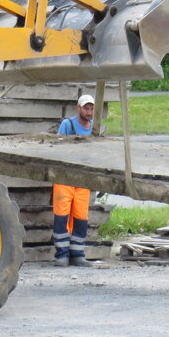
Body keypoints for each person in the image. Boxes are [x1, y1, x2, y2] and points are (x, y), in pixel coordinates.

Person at [53, 93, 105, 268]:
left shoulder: (95, 128)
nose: (89, 112)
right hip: (64, 178)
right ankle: (61, 255)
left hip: (83, 180)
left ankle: (77, 254)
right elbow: (57, 148)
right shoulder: (67, 125)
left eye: (91, 109)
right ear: (78, 108)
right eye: (86, 108)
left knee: (81, 218)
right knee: (62, 217)